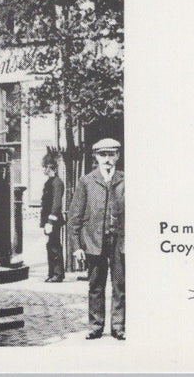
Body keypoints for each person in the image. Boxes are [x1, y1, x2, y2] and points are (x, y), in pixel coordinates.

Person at [68, 138, 125, 340]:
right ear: (96, 157)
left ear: (117, 156)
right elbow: (74, 217)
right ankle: (96, 325)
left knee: (120, 284)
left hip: (120, 241)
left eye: (111, 154)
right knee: (96, 285)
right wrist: (76, 246)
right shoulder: (86, 181)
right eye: (103, 155)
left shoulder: (126, 180)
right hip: (95, 241)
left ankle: (118, 326)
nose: (107, 159)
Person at [40, 152, 65, 283]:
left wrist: (50, 221)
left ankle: (58, 273)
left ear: (50, 167)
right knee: (50, 245)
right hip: (48, 221)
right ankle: (52, 273)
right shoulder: (50, 182)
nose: (43, 169)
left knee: (55, 246)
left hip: (53, 221)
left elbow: (56, 204)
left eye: (44, 166)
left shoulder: (57, 183)